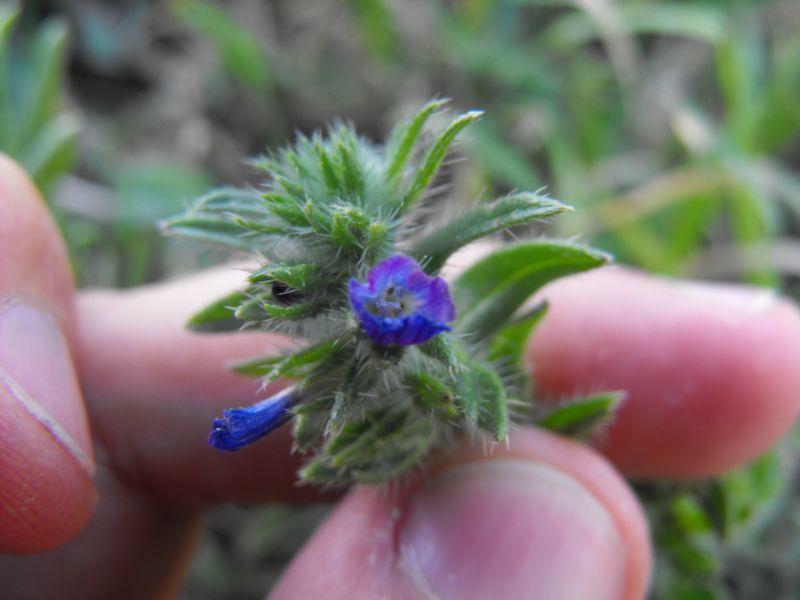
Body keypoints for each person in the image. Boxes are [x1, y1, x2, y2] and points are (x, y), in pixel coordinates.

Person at [1, 154, 799, 600]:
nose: (387, 302)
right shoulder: (369, 317)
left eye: (395, 297)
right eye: (381, 298)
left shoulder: (413, 306)